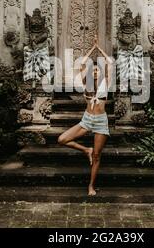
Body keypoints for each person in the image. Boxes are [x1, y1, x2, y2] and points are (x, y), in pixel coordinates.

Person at [57, 43, 113, 196]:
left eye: (97, 70)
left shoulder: (105, 84)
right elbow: (81, 64)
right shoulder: (86, 84)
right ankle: (85, 150)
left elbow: (110, 62)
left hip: (101, 121)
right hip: (87, 120)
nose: (95, 71)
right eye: (93, 70)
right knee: (62, 139)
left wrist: (99, 49)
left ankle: (91, 186)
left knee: (97, 156)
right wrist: (91, 49)